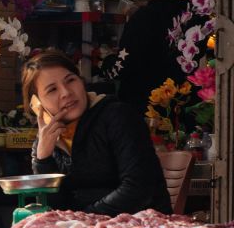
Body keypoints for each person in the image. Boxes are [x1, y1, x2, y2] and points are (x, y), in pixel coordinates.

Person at [25, 49, 171, 215]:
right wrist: (43, 159)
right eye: (52, 90)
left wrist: (84, 219)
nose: (66, 93)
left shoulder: (117, 116)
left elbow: (138, 187)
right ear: (37, 104)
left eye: (71, 80)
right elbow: (54, 209)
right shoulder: (45, 141)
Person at [116, 0, 191, 115]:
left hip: (145, 110)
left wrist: (104, 63)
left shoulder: (143, 17)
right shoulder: (192, 14)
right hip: (185, 107)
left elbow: (122, 66)